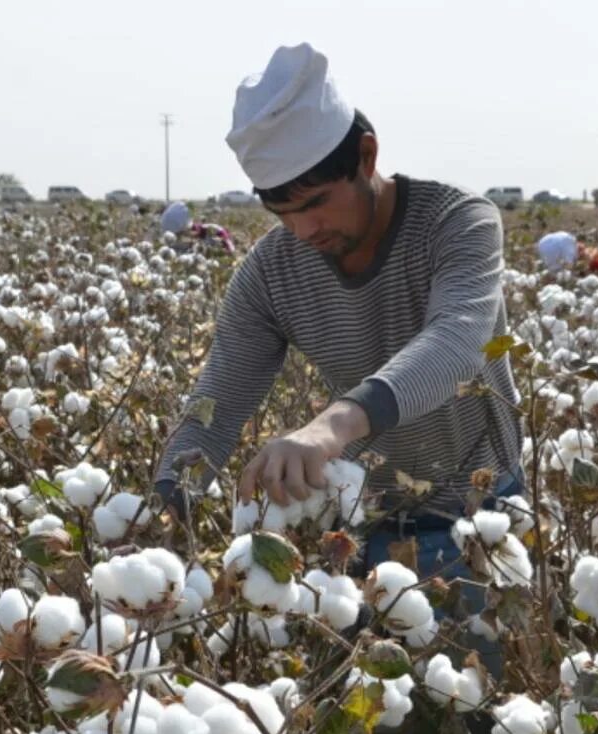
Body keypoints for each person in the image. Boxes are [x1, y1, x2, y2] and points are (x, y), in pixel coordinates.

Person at [154, 42, 522, 586]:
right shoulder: (272, 272)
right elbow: (220, 398)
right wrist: (161, 509)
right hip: (363, 519)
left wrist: (330, 427)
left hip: (481, 512)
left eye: (316, 203)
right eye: (282, 213)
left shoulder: (457, 222)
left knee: (484, 667)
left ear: (367, 157)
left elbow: (457, 344)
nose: (304, 231)